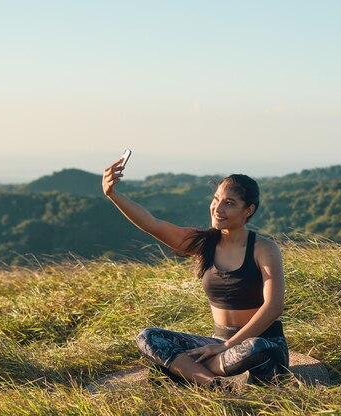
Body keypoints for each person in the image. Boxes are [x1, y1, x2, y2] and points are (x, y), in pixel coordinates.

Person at [102, 154, 288, 387]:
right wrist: (113, 194)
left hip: (256, 343)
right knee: (149, 337)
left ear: (248, 210)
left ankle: (181, 370)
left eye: (229, 203)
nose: (217, 208)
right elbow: (152, 224)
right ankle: (211, 384)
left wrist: (228, 345)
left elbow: (273, 307)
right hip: (218, 346)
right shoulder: (204, 243)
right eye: (216, 199)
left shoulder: (264, 249)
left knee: (256, 348)